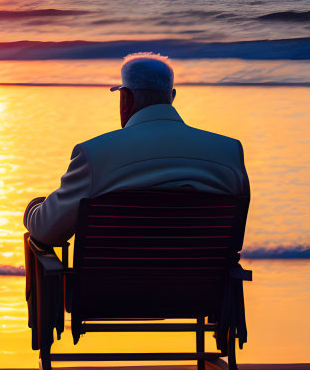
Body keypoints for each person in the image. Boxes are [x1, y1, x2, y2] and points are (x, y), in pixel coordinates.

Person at [23, 53, 249, 245]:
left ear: (125, 99)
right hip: (205, 295)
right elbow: (235, 238)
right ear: (172, 97)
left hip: (110, 296)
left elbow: (46, 231)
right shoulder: (230, 151)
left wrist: (34, 208)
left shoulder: (94, 155)